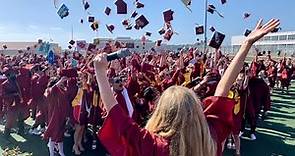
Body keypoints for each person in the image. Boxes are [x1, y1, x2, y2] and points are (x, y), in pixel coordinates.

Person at [93, 18, 280, 156]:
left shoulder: (153, 146)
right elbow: (222, 90)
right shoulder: (210, 138)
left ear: (163, 112)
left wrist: (100, 73)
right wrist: (246, 44)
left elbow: (117, 117)